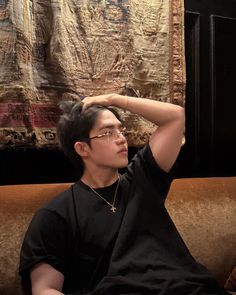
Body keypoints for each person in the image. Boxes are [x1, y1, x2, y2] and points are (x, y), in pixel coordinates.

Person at [19, 93, 229, 295]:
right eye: (108, 132)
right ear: (82, 148)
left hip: (189, 287)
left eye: (121, 130)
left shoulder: (143, 179)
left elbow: (175, 117)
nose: (121, 139)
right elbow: (44, 289)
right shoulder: (56, 214)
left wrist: (114, 99)